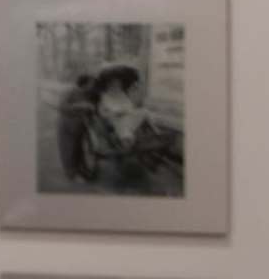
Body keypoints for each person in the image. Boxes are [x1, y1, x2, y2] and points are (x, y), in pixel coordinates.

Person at [56, 62, 186, 197]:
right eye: (113, 84)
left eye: (118, 84)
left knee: (143, 112)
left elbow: (129, 108)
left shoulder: (119, 94)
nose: (116, 86)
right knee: (70, 149)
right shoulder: (87, 94)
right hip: (82, 122)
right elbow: (100, 112)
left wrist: (130, 110)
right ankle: (72, 173)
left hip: (121, 118)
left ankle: (154, 134)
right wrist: (89, 107)